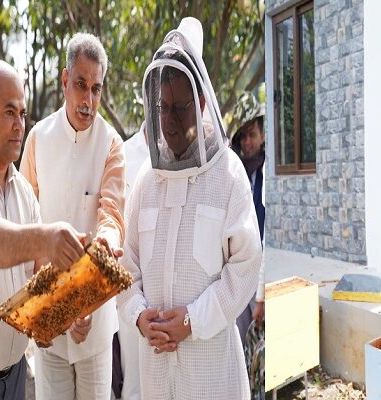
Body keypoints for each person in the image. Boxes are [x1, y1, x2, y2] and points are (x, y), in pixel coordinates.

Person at [117, 17, 262, 400]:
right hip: (155, 373)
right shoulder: (146, 182)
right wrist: (138, 315)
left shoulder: (228, 175)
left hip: (211, 373)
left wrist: (192, 321)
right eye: (162, 107)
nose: (169, 120)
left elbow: (246, 266)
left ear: (200, 103)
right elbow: (127, 268)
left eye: (179, 107)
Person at [0, 60, 86, 400]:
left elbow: (36, 284)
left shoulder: (23, 191)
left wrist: (70, 309)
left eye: (23, 114)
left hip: (17, 377)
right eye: (10, 112)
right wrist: (46, 238)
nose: (20, 125)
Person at [20, 33, 125, 400]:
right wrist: (46, 309)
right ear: (65, 81)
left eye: (96, 89)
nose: (88, 100)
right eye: (81, 85)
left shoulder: (112, 144)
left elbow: (112, 217)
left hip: (94, 324)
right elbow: (26, 227)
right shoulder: (37, 139)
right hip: (49, 319)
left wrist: (85, 300)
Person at [113, 123, 150, 400]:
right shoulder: (124, 154)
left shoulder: (184, 158)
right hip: (130, 290)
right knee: (134, 383)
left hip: (171, 293)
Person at [232, 91, 266, 344]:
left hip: (262, 271)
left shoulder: (268, 173)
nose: (247, 143)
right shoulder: (235, 174)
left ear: (263, 136)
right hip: (239, 270)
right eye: (243, 136)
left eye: (252, 135)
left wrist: (262, 292)